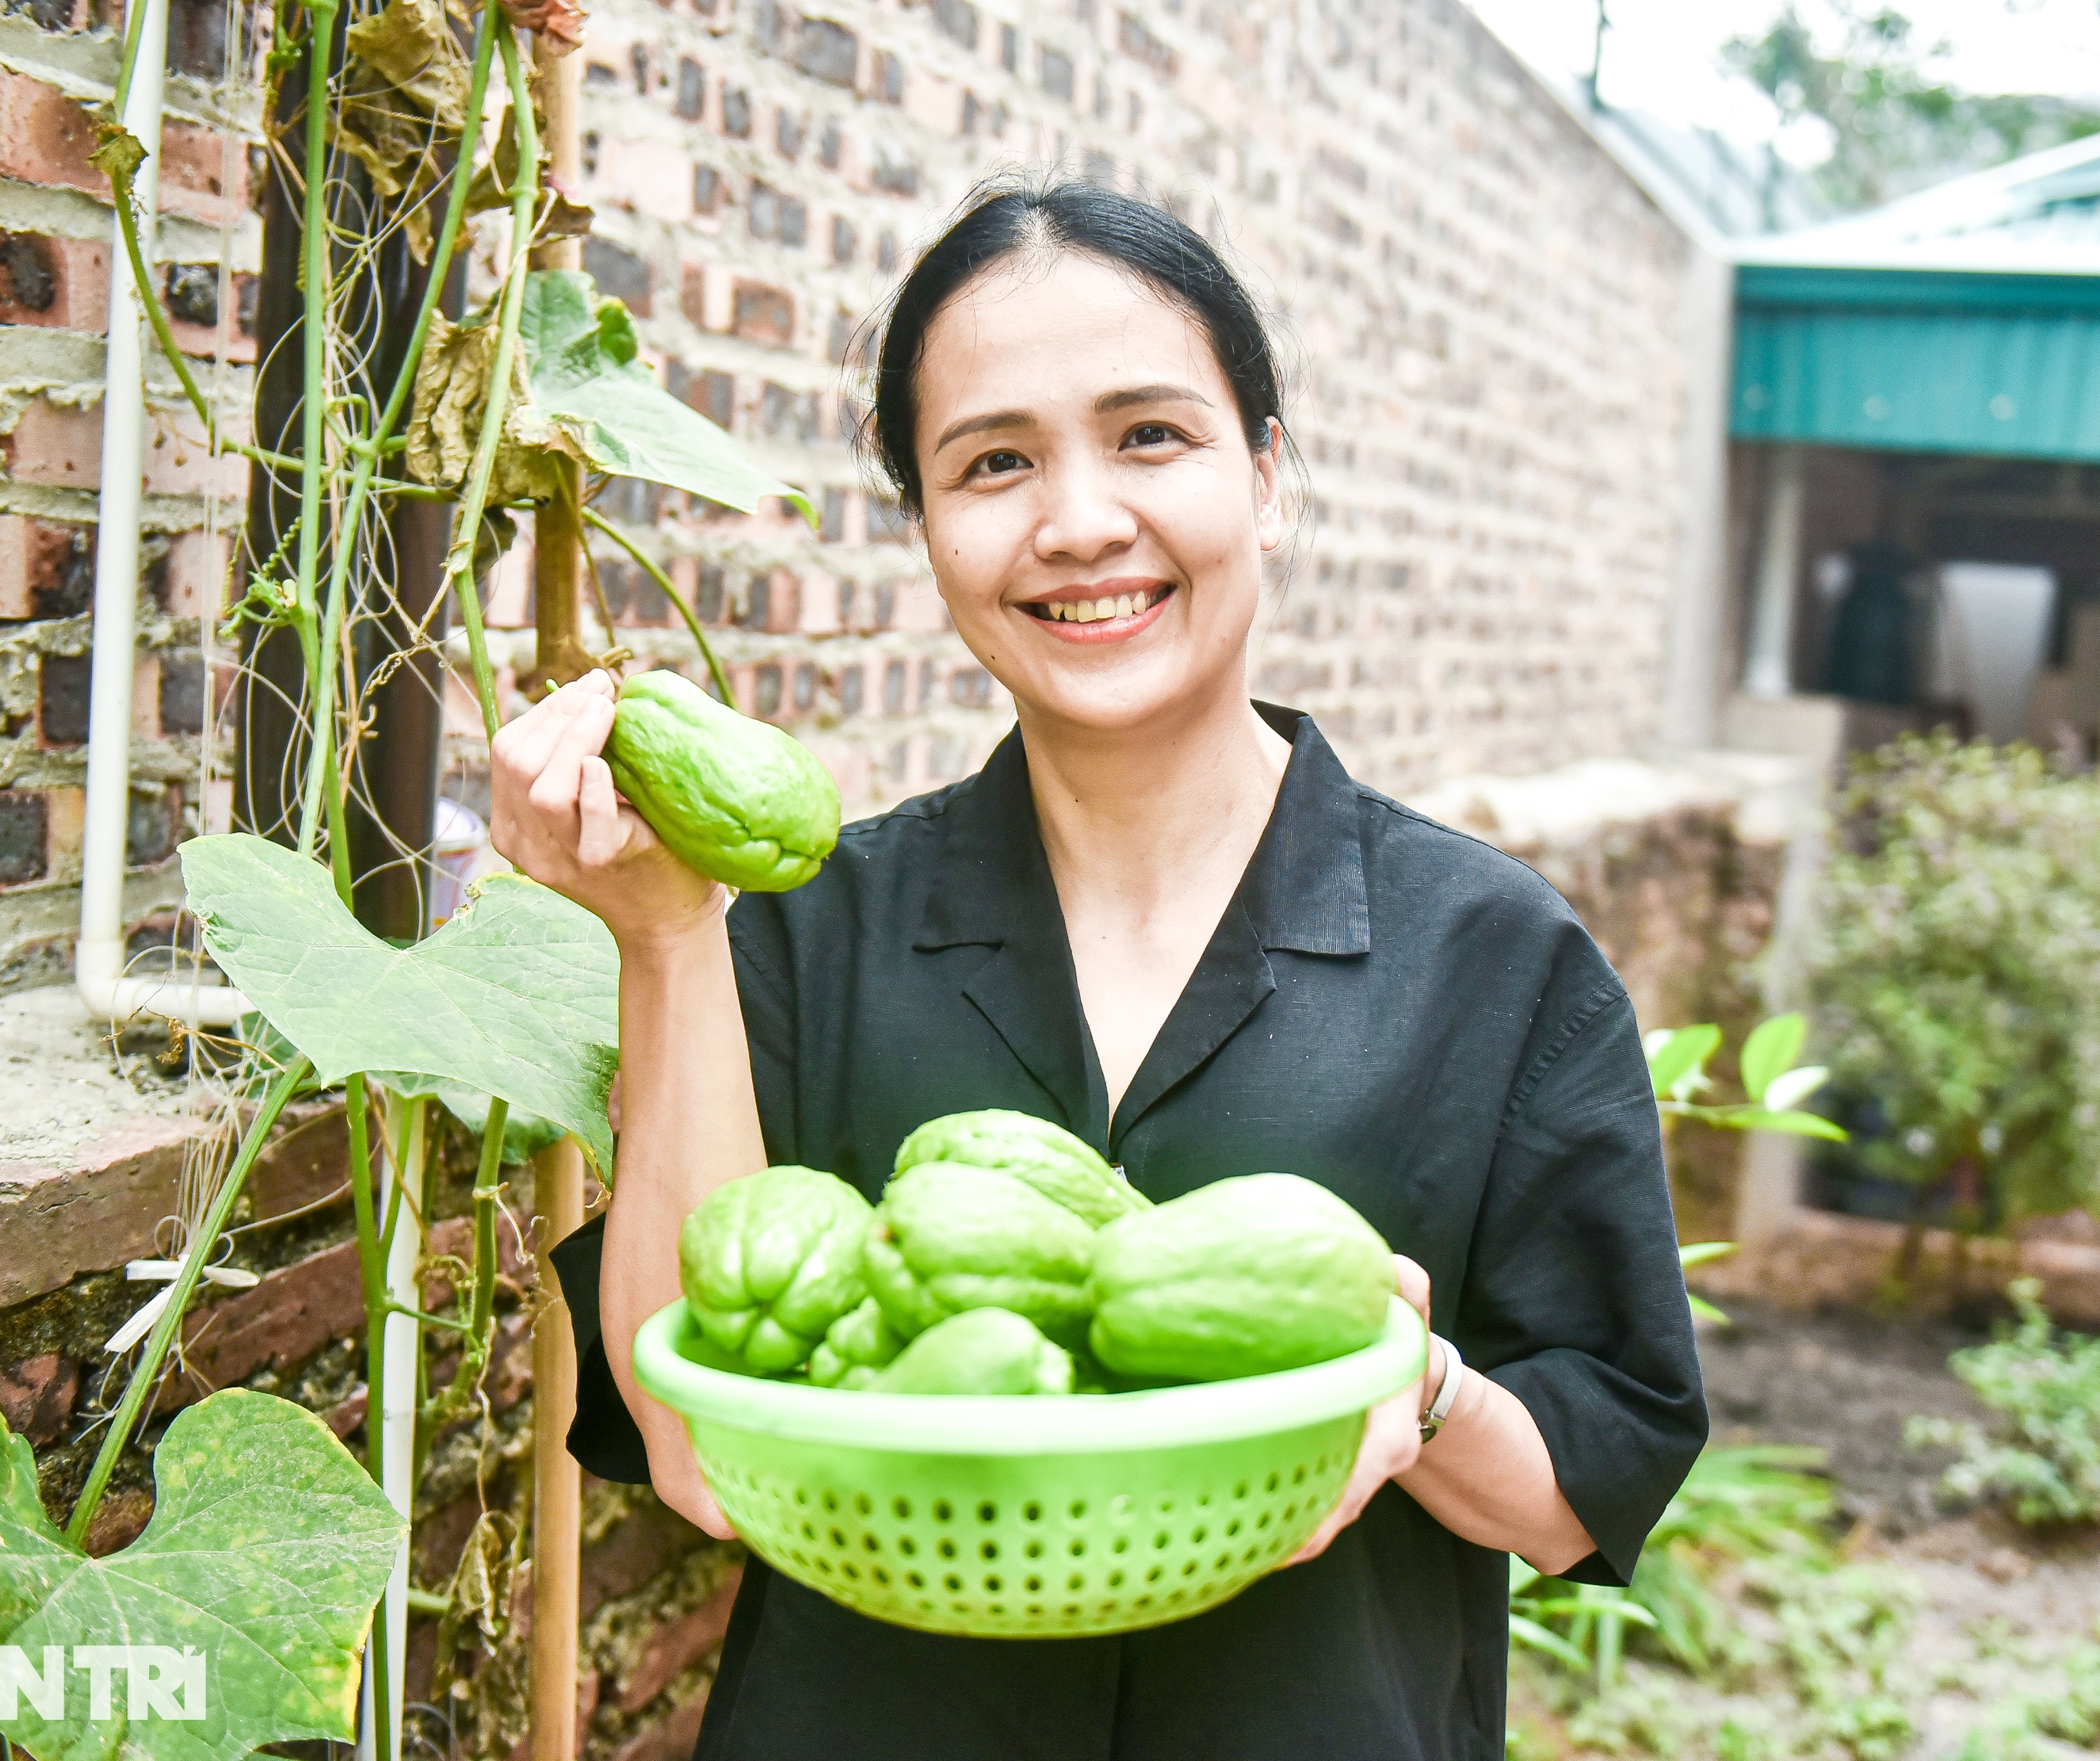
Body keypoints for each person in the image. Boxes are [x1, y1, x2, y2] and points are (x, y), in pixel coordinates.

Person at [495, 178, 1706, 1761]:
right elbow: (700, 1457)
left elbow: (1577, 1493)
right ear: (926, 528)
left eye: (1150, 436)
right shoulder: (798, 925)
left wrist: (1410, 1392)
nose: (1077, 521)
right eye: (994, 461)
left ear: (1267, 478)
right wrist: (663, 939)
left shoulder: (1496, 958)